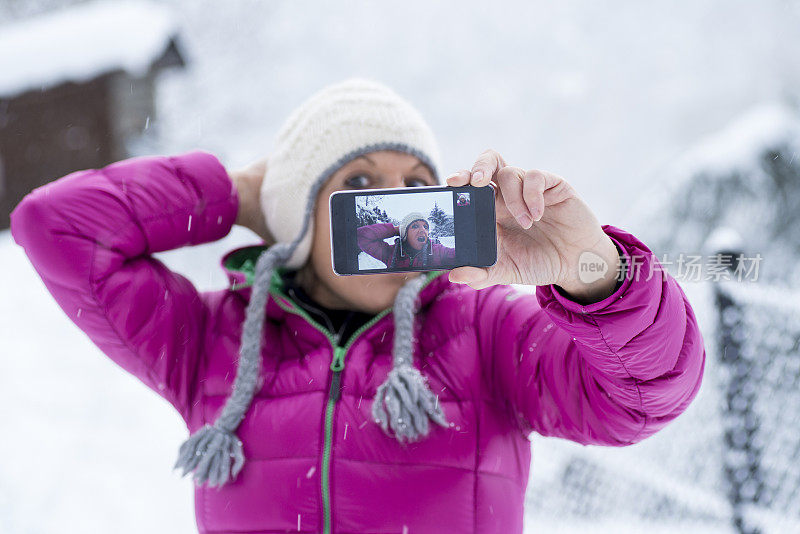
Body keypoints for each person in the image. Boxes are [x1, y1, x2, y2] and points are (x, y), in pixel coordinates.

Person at [10, 78, 706, 534]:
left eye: (417, 186)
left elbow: (644, 396)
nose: (397, 212)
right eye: (360, 185)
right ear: (298, 215)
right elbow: (57, 226)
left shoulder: (486, 330)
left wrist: (593, 270)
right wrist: (247, 191)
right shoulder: (208, 343)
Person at [357, 212, 456, 269]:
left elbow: (464, 255)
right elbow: (362, 237)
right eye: (415, 226)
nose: (423, 230)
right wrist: (396, 229)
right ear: (405, 233)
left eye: (426, 227)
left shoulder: (439, 251)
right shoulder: (391, 253)